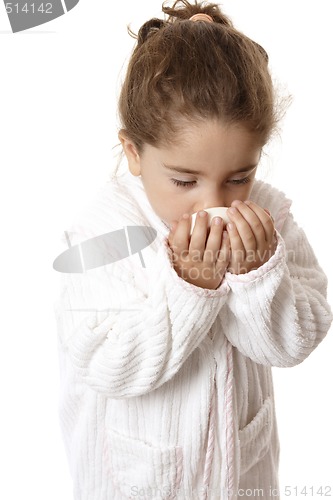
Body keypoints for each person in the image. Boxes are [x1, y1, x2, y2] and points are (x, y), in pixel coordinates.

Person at [53, 1, 332, 498]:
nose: (214, 204)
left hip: (242, 476)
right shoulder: (103, 229)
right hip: (135, 480)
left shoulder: (270, 218)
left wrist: (258, 276)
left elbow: (295, 344)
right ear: (133, 153)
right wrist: (190, 288)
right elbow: (103, 362)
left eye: (239, 177)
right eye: (184, 180)